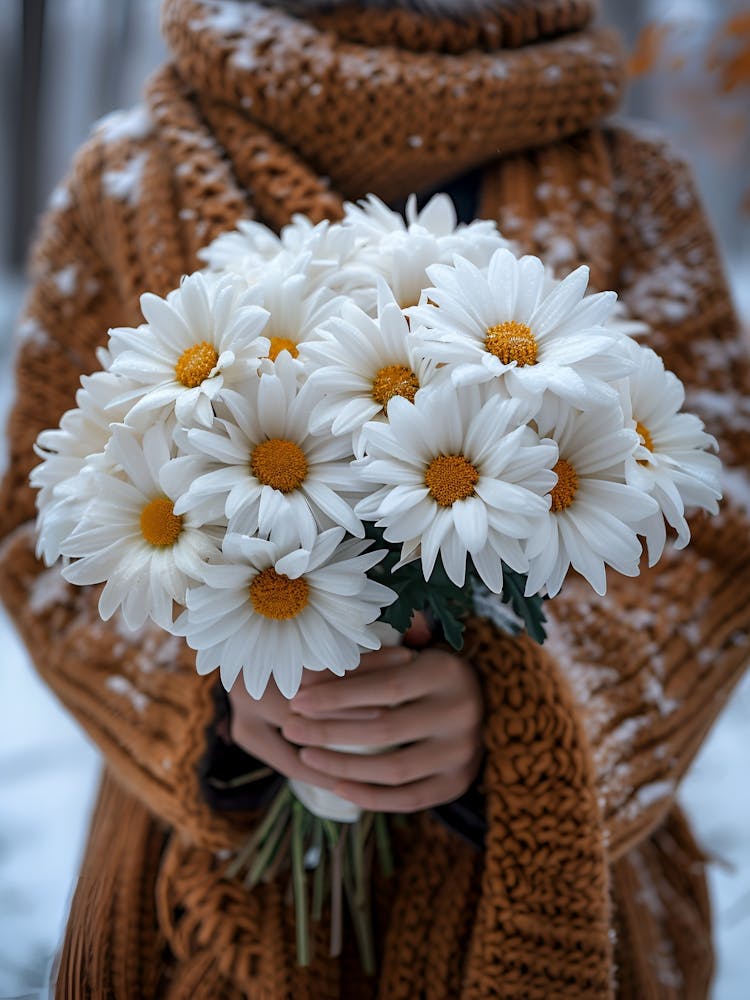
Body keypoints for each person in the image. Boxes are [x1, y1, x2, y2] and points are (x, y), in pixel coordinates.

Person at [1, 0, 748, 996]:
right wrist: (217, 698)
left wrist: (540, 730)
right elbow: (38, 530)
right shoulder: (124, 179)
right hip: (195, 906)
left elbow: (717, 527)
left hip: (564, 901)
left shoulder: (637, 185)